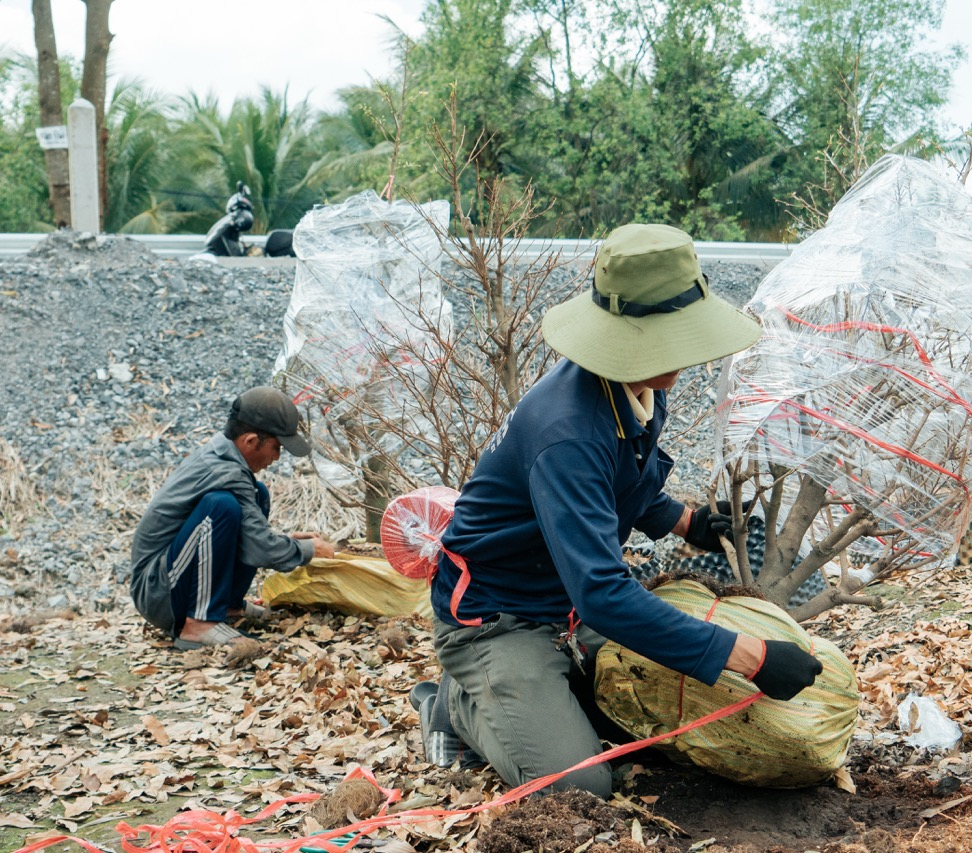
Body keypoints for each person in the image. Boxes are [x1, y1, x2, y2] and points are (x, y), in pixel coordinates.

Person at [423, 223, 825, 796]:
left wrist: (685, 522)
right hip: (497, 619)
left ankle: (544, 692)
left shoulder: (635, 386)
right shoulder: (566, 432)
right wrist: (753, 656)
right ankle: (457, 704)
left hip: (564, 606)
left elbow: (619, 482)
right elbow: (605, 594)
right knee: (580, 785)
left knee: (648, 718)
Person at [129, 386, 336, 650]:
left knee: (257, 494)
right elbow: (260, 546)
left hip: (170, 580)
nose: (276, 457)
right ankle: (199, 623)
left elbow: (251, 538)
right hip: (157, 592)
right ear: (250, 441)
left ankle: (227, 607)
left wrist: (285, 542)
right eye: (276, 447)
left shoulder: (225, 454)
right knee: (221, 506)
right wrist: (309, 550)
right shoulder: (224, 470)